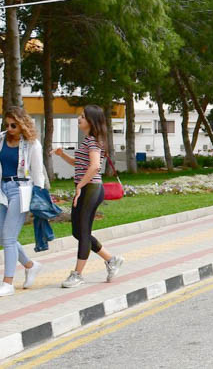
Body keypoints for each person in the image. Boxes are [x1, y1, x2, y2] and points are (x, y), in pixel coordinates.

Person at [52, 105, 123, 288]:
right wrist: (62, 155)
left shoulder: (93, 141)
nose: (79, 118)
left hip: (90, 188)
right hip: (87, 187)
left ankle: (77, 274)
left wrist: (80, 187)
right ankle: (111, 259)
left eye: (83, 116)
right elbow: (79, 163)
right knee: (78, 232)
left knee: (83, 232)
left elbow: (94, 167)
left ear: (91, 121)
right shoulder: (89, 141)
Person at [0, 108, 46, 295]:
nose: (10, 128)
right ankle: (30, 265)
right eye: (7, 124)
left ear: (22, 124)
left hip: (21, 190)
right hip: (2, 190)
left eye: (14, 125)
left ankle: (8, 283)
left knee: (9, 239)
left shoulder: (31, 144)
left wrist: (40, 195)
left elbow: (37, 172)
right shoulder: (1, 138)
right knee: (3, 236)